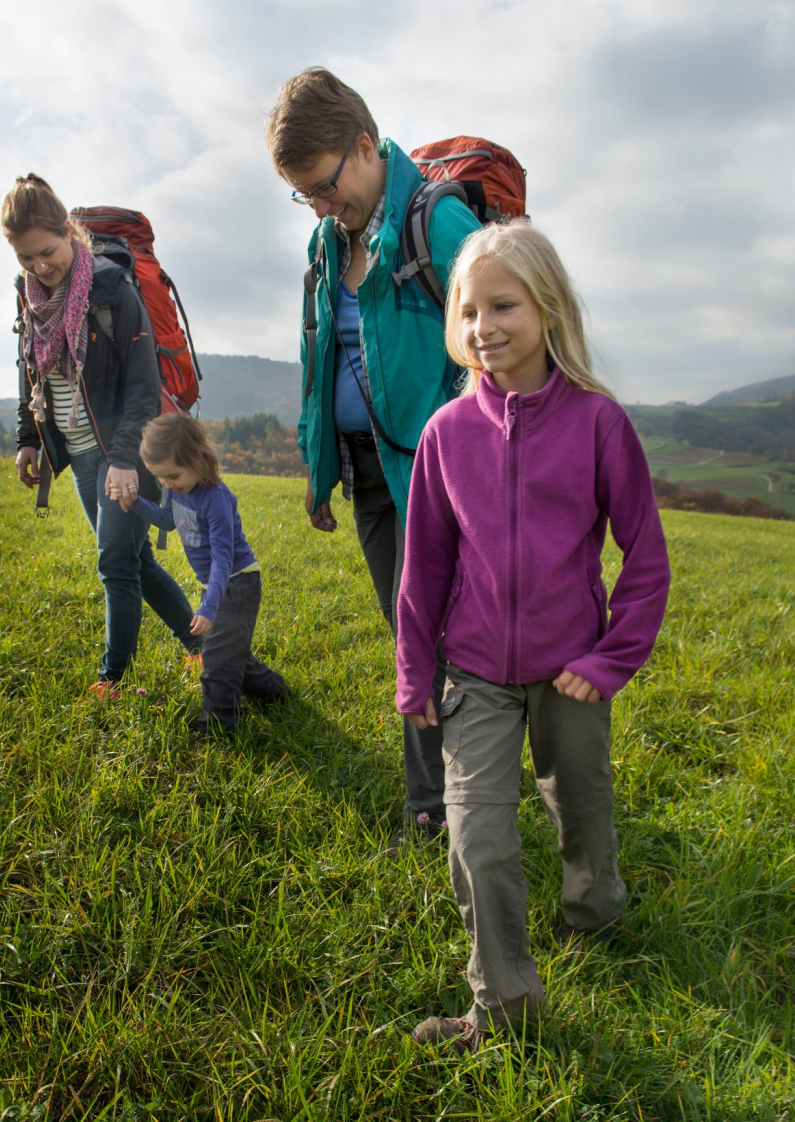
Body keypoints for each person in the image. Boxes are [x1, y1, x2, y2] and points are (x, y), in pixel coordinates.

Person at [395, 220, 671, 1053]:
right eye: (468, 310)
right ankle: (502, 1004)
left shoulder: (599, 424)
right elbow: (423, 568)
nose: (483, 327)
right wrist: (414, 673)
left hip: (570, 670)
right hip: (473, 671)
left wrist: (608, 658)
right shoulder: (445, 433)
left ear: (547, 308)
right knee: (477, 837)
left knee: (579, 805)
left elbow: (645, 559)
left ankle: (593, 911)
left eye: (503, 305)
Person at [266, 68, 481, 850]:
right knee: (410, 631)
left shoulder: (439, 223)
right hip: (365, 472)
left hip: (435, 475)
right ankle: (465, 777)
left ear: (364, 146)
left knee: (421, 636)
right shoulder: (328, 244)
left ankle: (437, 808)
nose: (319, 208)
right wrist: (318, 463)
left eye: (324, 187)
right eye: (303, 196)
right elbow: (317, 356)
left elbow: (500, 347)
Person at [1, 174, 200, 696]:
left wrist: (124, 459)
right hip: (78, 452)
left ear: (68, 232)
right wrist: (28, 438)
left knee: (115, 562)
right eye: (26, 258)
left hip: (123, 451)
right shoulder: (29, 296)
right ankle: (204, 643)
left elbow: (143, 384)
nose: (40, 267)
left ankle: (113, 678)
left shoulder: (112, 289)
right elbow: (28, 369)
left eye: (47, 252)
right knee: (134, 559)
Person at [127, 413, 287, 734]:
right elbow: (168, 520)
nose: (168, 484)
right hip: (213, 585)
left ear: (198, 459)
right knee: (229, 651)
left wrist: (209, 607)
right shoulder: (177, 490)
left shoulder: (216, 499)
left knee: (215, 658)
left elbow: (223, 560)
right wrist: (135, 503)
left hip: (237, 583)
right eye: (161, 478)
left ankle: (217, 727)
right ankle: (274, 690)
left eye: (173, 475)